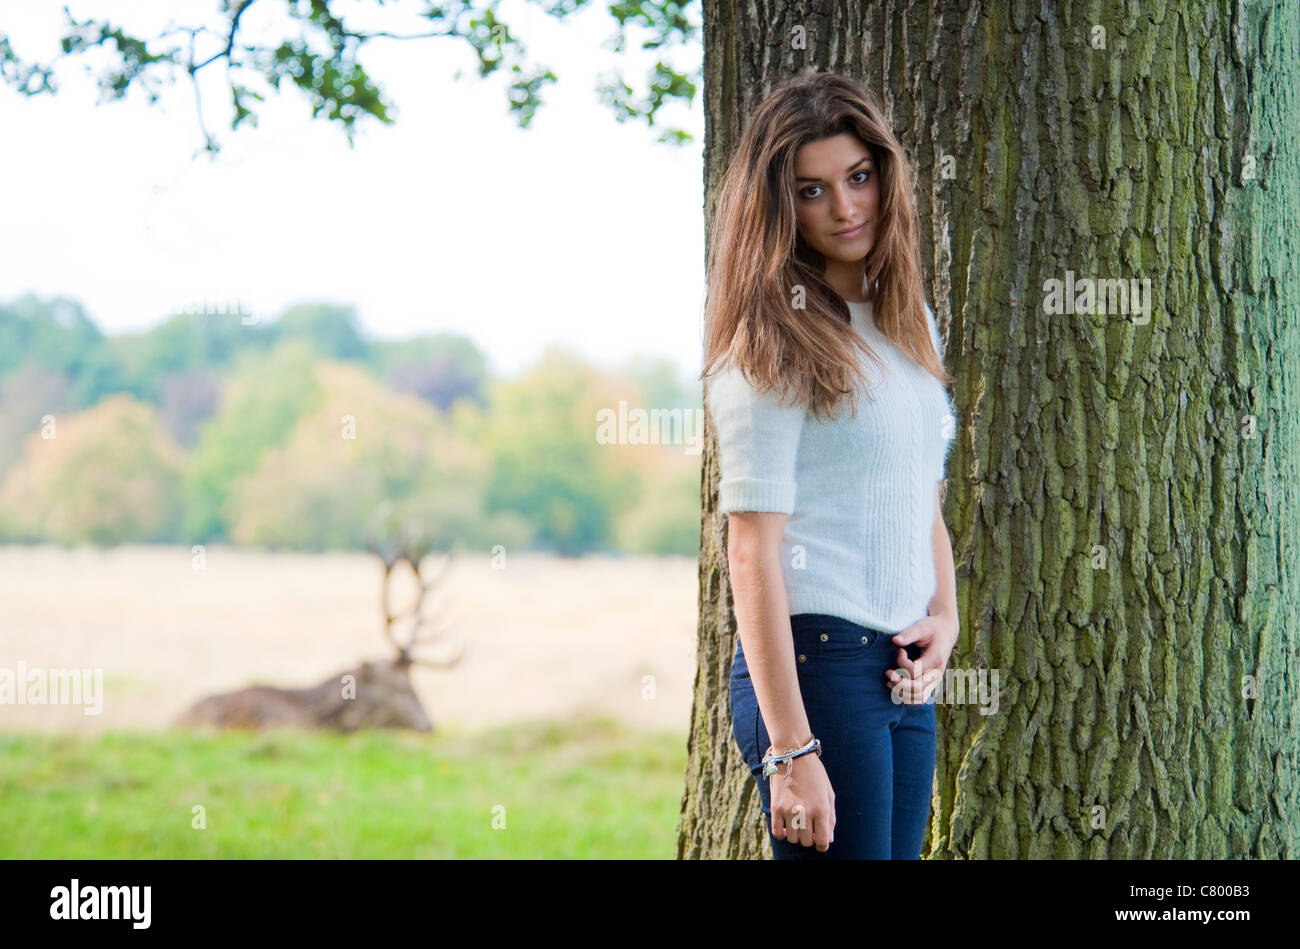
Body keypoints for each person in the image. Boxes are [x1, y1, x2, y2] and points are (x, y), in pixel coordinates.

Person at [701, 72, 960, 859]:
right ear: (781, 207)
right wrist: (791, 751)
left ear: (885, 173)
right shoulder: (769, 341)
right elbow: (750, 548)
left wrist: (944, 615)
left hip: (902, 674)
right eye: (813, 191)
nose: (845, 208)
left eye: (858, 177)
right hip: (817, 670)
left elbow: (921, 495)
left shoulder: (905, 318)